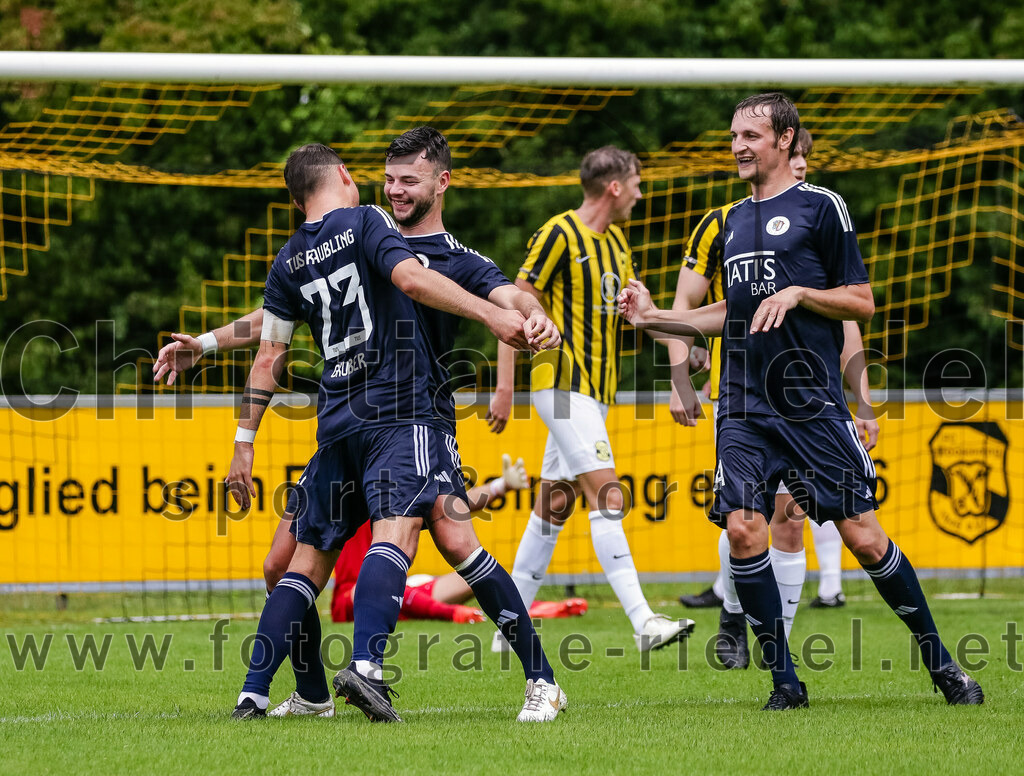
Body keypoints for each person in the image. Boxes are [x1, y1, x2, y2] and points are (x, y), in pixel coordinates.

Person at [618, 92, 983, 709]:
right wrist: (657, 319)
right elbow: (726, 314)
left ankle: (942, 663)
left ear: (786, 141)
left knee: (864, 538)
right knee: (742, 529)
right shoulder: (730, 219)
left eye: (751, 136)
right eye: (733, 135)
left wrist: (802, 295)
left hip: (810, 404)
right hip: (741, 407)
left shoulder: (823, 208)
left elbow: (861, 301)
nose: (738, 145)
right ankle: (784, 681)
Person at [208, 141, 568, 723]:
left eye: (409, 181)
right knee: (282, 563)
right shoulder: (360, 230)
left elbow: (507, 292)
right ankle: (310, 692)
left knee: (449, 542)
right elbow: (272, 325)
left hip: (416, 416)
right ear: (357, 179)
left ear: (442, 183)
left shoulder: (447, 255)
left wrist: (530, 314)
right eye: (390, 179)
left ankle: (539, 680)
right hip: (349, 420)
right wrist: (205, 345)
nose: (396, 190)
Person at [669, 129, 879, 669]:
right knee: (747, 516)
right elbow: (687, 302)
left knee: (789, 516)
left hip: (810, 397)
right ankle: (735, 617)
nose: (801, 176)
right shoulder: (722, 222)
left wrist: (864, 402)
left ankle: (772, 647)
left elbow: (851, 320)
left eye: (807, 168)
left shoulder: (821, 219)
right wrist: (681, 368)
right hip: (743, 393)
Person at [489, 146, 694, 653]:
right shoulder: (559, 232)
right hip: (559, 385)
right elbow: (511, 297)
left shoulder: (619, 245)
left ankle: (506, 629)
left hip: (597, 391)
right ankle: (644, 621)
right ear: (615, 187)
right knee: (609, 492)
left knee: (554, 505)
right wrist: (505, 384)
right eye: (638, 183)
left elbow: (638, 312)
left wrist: (681, 355)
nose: (642, 194)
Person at [330, 453, 588, 624]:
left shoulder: (396, 490)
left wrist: (500, 486)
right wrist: (454, 614)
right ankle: (454, 613)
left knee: (480, 577)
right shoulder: (354, 493)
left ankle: (540, 608)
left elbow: (453, 507)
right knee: (385, 587)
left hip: (403, 584)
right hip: (350, 597)